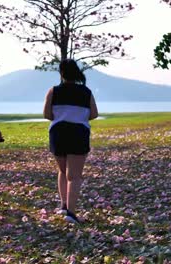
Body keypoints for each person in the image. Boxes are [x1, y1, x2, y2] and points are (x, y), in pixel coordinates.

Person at [43, 59, 98, 224]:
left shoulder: (53, 91)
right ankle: (71, 213)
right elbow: (94, 114)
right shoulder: (86, 92)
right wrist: (78, 116)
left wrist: (61, 116)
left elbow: (47, 114)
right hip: (78, 134)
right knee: (74, 176)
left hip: (58, 133)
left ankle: (64, 205)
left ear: (61, 73)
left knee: (62, 170)